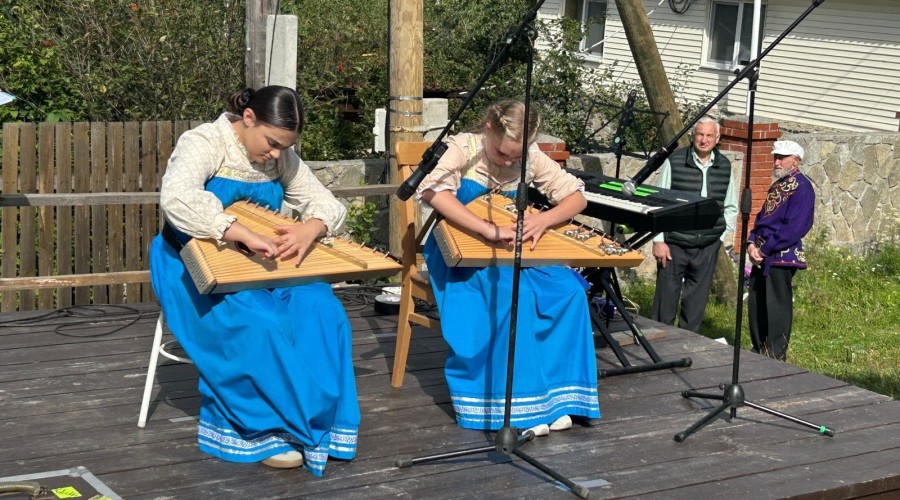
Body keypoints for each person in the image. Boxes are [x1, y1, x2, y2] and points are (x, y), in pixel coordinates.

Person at [149, 86, 359, 475]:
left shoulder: (282, 158)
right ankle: (258, 430)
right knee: (259, 320)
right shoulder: (205, 142)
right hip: (190, 262)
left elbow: (324, 201)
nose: (277, 154)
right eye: (273, 142)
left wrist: (309, 229)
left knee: (322, 308)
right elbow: (176, 198)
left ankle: (313, 423)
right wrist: (236, 231)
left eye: (285, 146)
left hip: (258, 262)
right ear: (249, 119)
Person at [416, 99, 600, 436]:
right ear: (489, 128)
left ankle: (558, 400)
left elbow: (577, 197)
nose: (510, 161)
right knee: (515, 295)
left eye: (517, 156)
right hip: (459, 253)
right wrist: (487, 229)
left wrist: (544, 219)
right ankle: (515, 403)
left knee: (569, 290)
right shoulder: (463, 147)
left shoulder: (528, 156)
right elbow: (431, 190)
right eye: (503, 154)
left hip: (510, 251)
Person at [651, 116, 737, 333]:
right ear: (693, 136)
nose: (704, 140)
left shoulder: (724, 166)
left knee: (695, 304)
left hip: (707, 246)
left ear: (717, 139)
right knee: (665, 302)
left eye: (709, 135)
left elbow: (730, 206)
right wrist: (658, 240)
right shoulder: (675, 162)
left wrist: (720, 237)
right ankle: (660, 345)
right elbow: (658, 203)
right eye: (700, 134)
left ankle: (687, 345)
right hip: (674, 244)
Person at [747, 140, 815, 360]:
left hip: (780, 255)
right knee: (757, 304)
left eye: (782, 157)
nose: (776, 161)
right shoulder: (779, 184)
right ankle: (759, 350)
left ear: (795, 161)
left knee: (776, 307)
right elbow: (762, 218)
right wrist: (750, 242)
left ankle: (775, 356)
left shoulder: (802, 187)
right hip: (761, 253)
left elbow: (795, 227)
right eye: (775, 156)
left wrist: (765, 249)